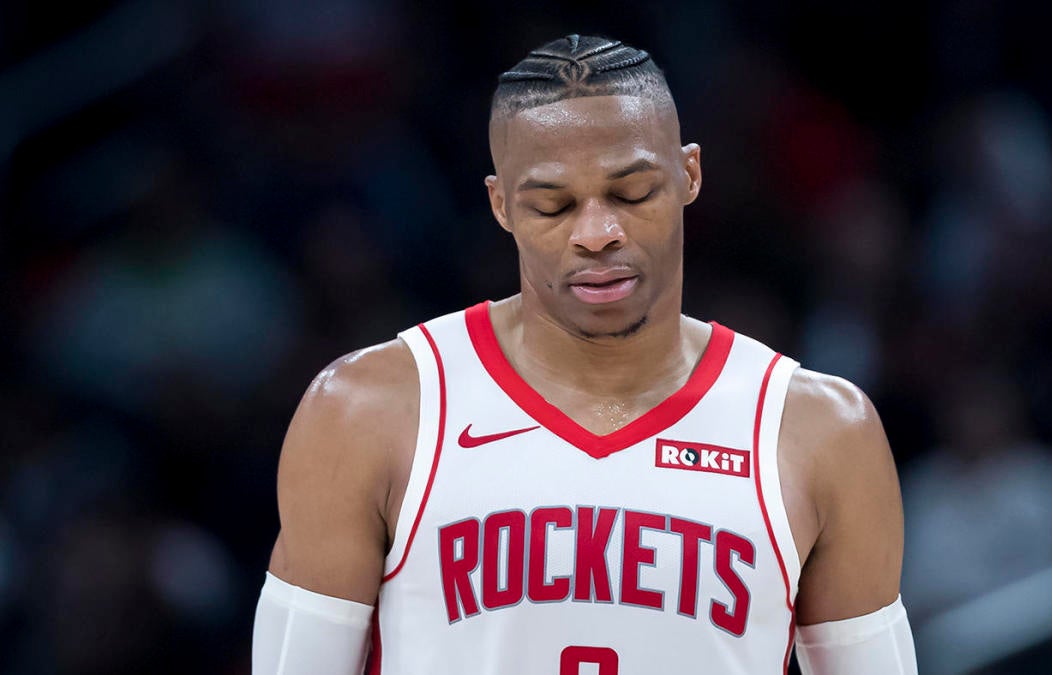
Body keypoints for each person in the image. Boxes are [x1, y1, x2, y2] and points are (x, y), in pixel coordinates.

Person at [252, 34, 917, 675]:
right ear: (501, 204)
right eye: (553, 206)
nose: (598, 233)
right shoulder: (368, 411)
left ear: (689, 173)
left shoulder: (822, 432)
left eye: (632, 194)